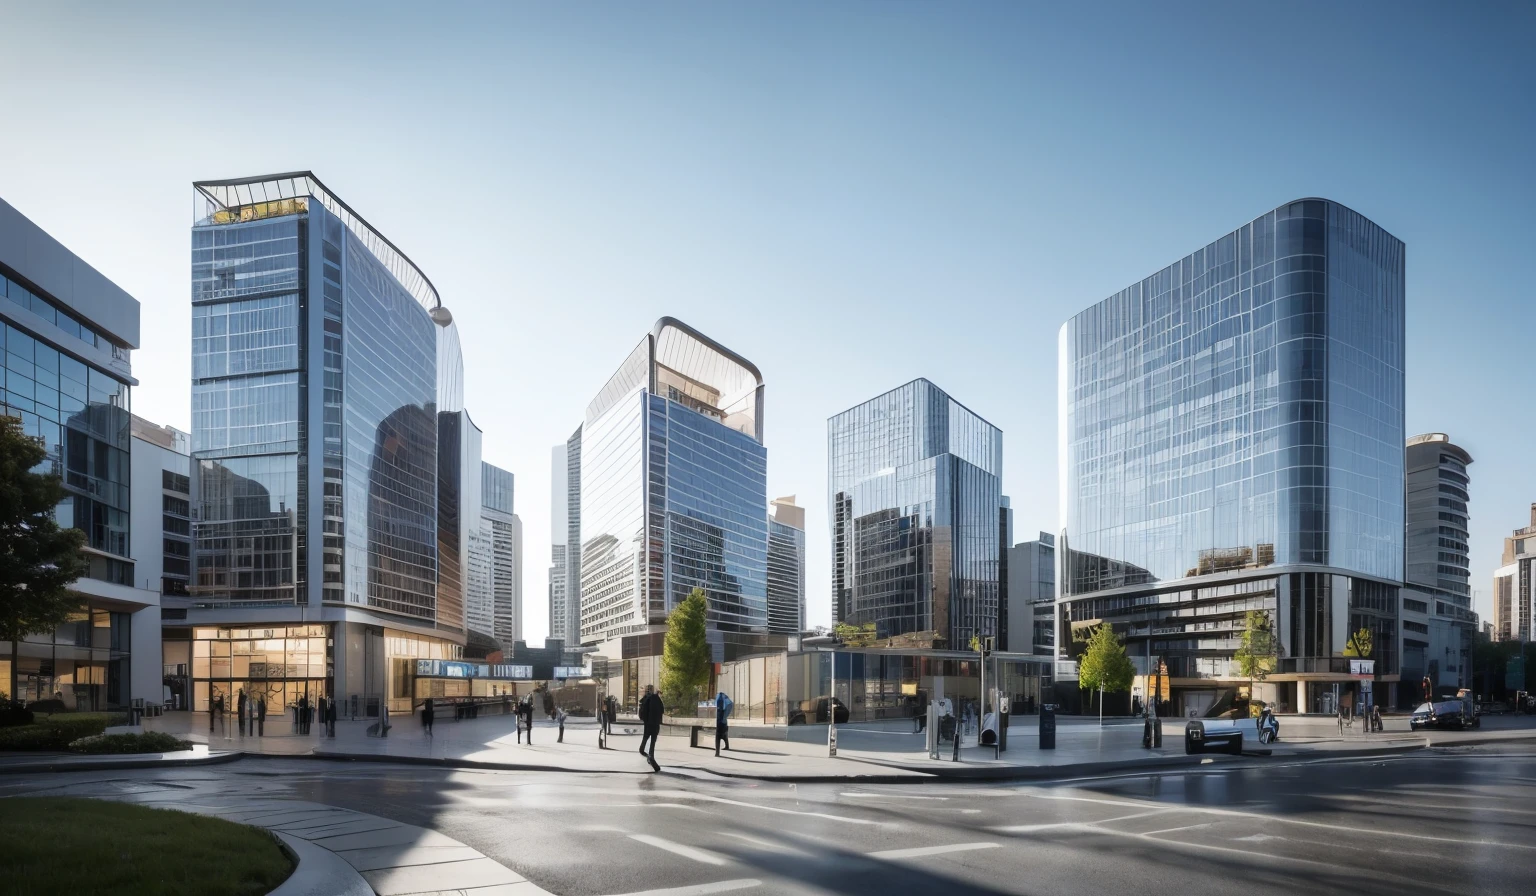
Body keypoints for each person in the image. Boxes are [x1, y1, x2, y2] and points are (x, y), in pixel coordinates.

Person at [638, 684, 664, 772]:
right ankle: (651, 756)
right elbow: (662, 710)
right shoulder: (657, 699)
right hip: (655, 725)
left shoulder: (646, 699)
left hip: (648, 725)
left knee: (643, 745)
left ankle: (648, 756)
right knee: (652, 743)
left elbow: (641, 715)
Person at [714, 690, 733, 757]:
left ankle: (717, 752)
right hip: (722, 723)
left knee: (718, 736)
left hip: (720, 723)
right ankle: (722, 749)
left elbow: (730, 704)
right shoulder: (723, 699)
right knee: (723, 736)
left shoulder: (720, 698)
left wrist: (724, 716)